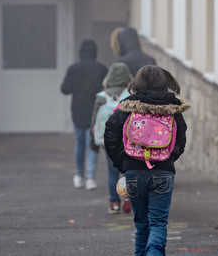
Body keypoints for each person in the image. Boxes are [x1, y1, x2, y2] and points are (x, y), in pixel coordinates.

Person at [104, 65, 188, 256]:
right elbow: (181, 139)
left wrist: (123, 163)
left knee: (142, 226)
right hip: (163, 172)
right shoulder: (172, 108)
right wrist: (168, 158)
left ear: (138, 82)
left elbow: (110, 133)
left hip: (133, 171)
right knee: (158, 223)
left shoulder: (128, 105)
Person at [61, 39, 108, 190]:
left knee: (79, 143)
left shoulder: (73, 69)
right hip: (95, 112)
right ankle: (90, 178)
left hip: (77, 111)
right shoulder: (101, 69)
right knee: (93, 144)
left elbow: (65, 89)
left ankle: (79, 176)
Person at [90, 62, 133, 214]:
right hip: (128, 140)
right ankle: (128, 200)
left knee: (112, 172)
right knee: (128, 170)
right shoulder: (130, 95)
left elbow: (94, 121)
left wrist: (93, 145)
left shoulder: (101, 97)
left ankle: (114, 203)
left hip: (108, 141)